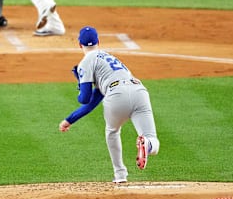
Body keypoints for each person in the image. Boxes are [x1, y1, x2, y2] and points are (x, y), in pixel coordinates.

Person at [58, 26, 160, 184]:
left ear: (79, 45)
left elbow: (85, 99)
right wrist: (70, 120)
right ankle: (147, 144)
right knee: (153, 139)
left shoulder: (86, 61)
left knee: (112, 132)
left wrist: (80, 82)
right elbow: (94, 99)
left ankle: (120, 175)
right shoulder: (109, 58)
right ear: (99, 41)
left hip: (116, 94)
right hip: (139, 91)